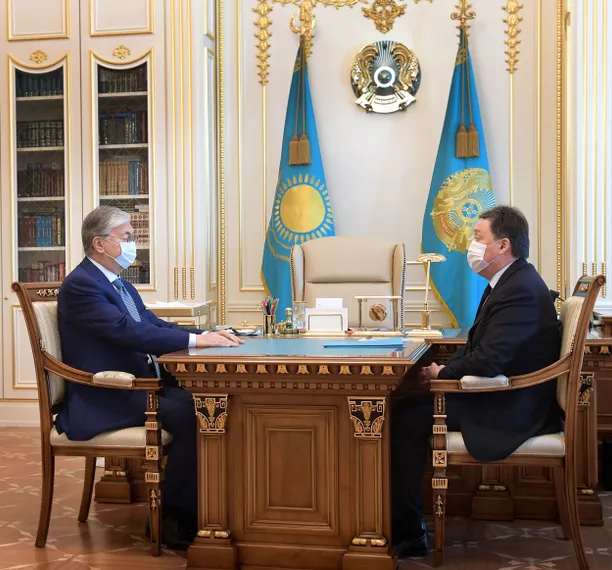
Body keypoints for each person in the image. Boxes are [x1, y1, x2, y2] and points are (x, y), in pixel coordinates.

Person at [56, 206, 243, 549]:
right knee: (197, 415)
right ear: (99, 243)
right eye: (127, 237)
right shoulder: (82, 285)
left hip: (141, 385)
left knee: (210, 402)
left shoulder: (119, 284)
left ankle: (213, 505)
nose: (133, 244)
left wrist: (207, 334)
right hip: (108, 394)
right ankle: (172, 519)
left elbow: (153, 324)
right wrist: (198, 343)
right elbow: (127, 332)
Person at [391, 205, 563, 558]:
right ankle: (403, 524)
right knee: (406, 407)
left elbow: (488, 360)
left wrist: (442, 374)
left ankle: (408, 533)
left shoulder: (519, 289)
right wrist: (444, 369)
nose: (471, 245)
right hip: (503, 397)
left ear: (503, 245)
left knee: (405, 418)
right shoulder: (510, 281)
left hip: (511, 408)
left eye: (478, 237)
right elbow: (477, 347)